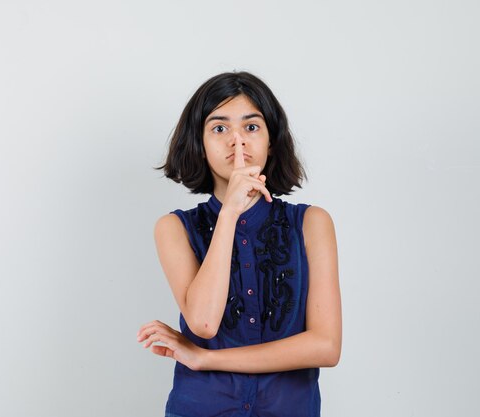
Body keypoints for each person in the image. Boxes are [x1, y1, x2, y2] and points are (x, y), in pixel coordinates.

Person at [137, 71, 342, 417]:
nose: (237, 140)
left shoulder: (311, 223)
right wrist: (229, 212)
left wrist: (206, 359)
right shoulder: (174, 228)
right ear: (200, 145)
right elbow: (203, 323)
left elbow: (326, 346)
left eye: (251, 127)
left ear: (271, 140)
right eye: (219, 128)